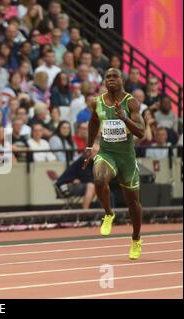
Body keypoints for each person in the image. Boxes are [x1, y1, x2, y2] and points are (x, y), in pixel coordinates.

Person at [83, 68, 145, 260]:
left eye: (114, 76)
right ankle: (108, 213)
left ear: (122, 80)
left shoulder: (131, 102)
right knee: (99, 179)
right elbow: (93, 123)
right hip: (107, 153)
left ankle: (136, 239)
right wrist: (88, 147)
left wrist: (124, 118)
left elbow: (141, 132)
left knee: (133, 203)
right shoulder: (97, 102)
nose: (110, 80)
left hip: (126, 157)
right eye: (107, 77)